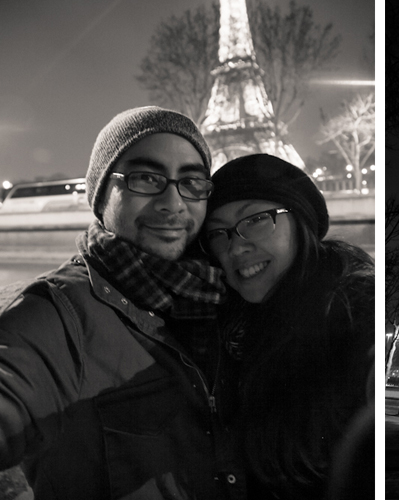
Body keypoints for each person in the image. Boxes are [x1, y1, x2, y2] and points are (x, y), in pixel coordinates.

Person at [0, 107, 246, 498]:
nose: (173, 203)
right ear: (101, 197)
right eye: (146, 178)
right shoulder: (56, 315)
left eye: (192, 182)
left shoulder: (223, 298)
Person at [202, 154, 374, 499]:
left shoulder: (355, 318)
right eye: (219, 233)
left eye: (256, 220)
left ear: (300, 222)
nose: (236, 246)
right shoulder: (227, 327)